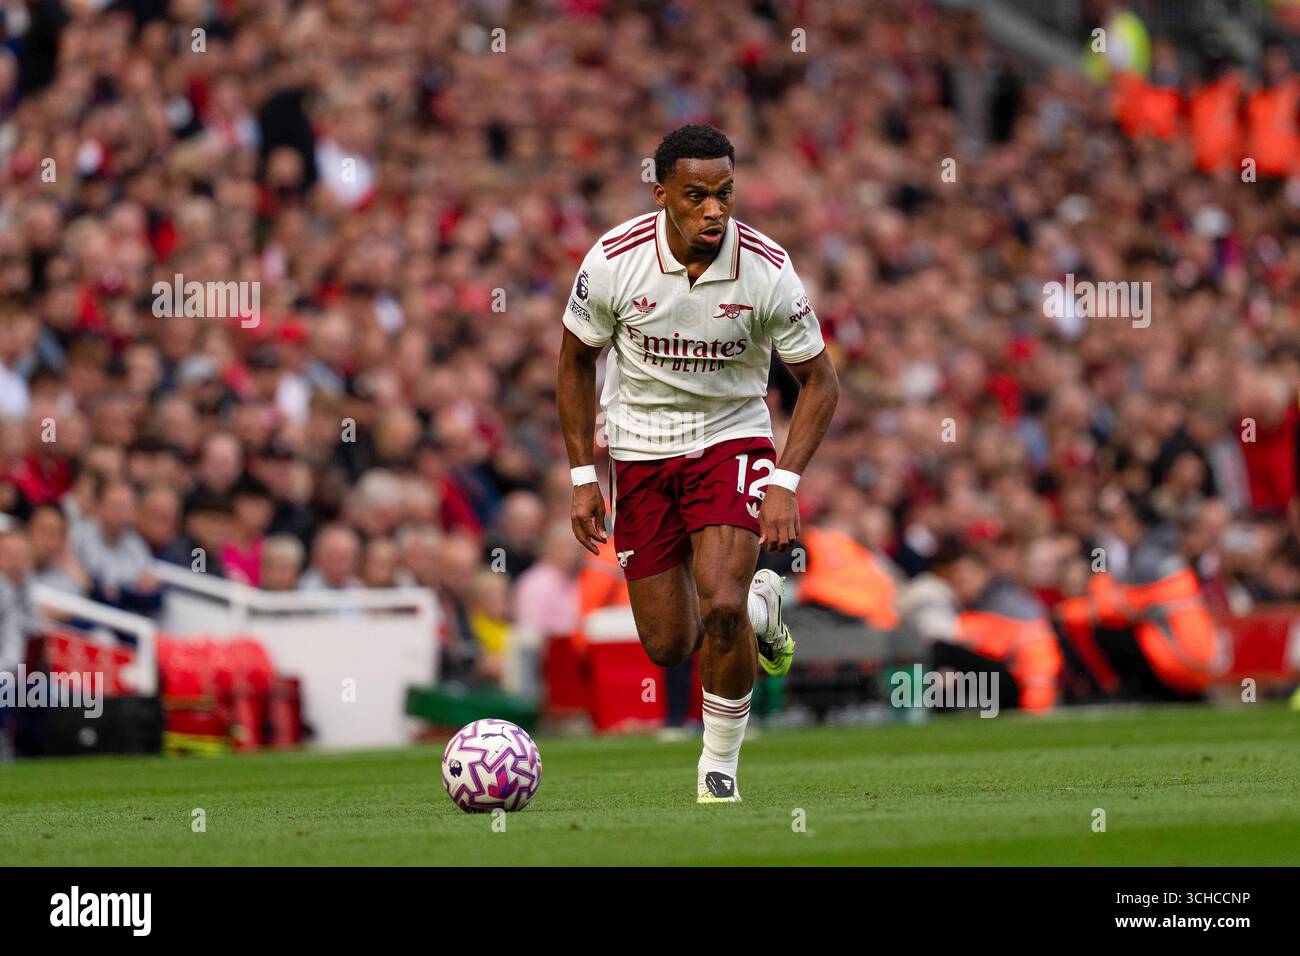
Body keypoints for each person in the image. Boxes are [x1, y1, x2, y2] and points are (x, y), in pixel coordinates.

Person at [557, 125, 839, 802]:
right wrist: (580, 477)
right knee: (668, 643)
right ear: (660, 194)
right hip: (639, 448)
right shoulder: (614, 260)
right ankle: (761, 607)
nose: (713, 210)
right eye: (695, 196)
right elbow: (573, 363)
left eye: (724, 194)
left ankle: (719, 769)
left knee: (718, 606)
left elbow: (822, 382)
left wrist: (784, 481)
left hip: (730, 438)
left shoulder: (767, 268)